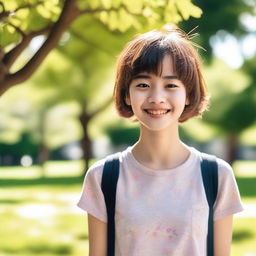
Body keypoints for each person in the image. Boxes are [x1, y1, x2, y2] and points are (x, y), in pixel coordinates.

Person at [77, 24, 244, 256]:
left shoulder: (216, 176)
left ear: (188, 94)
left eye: (171, 85)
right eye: (143, 85)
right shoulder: (103, 176)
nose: (157, 97)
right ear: (127, 93)